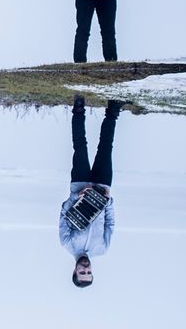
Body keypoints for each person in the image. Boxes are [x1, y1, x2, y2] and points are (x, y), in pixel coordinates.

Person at [60, 95, 124, 288]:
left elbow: (64, 214)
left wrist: (76, 196)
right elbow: (110, 224)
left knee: (80, 146)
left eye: (82, 272)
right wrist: (109, 201)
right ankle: (113, 110)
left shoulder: (67, 244)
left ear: (75, 271)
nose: (86, 268)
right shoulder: (102, 249)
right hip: (102, 190)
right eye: (88, 272)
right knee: (106, 147)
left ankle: (78, 109)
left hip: (80, 185)